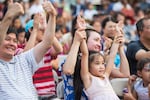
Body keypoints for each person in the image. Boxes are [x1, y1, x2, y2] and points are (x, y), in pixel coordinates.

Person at [0, 0, 57, 99]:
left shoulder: (23, 59)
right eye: (7, 39)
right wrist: (8, 17)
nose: (11, 44)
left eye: (14, 41)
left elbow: (47, 43)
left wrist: (52, 16)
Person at [80, 29, 122, 99]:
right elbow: (85, 54)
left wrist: (116, 39)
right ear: (88, 66)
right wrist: (82, 38)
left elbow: (112, 56)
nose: (101, 67)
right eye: (97, 63)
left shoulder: (105, 76)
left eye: (103, 63)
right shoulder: (88, 78)